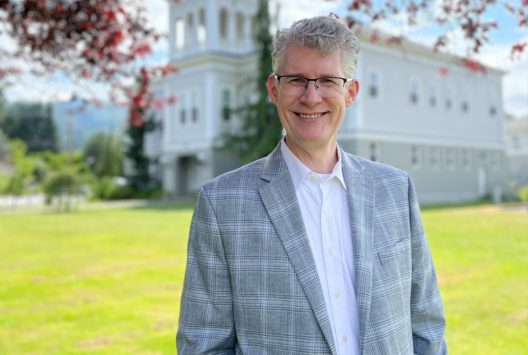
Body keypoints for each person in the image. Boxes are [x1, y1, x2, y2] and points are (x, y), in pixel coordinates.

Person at [177, 15, 447, 354]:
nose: (311, 96)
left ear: (350, 93)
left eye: (328, 80)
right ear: (274, 90)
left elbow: (426, 326)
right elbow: (205, 345)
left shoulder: (395, 190)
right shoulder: (221, 205)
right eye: (296, 80)